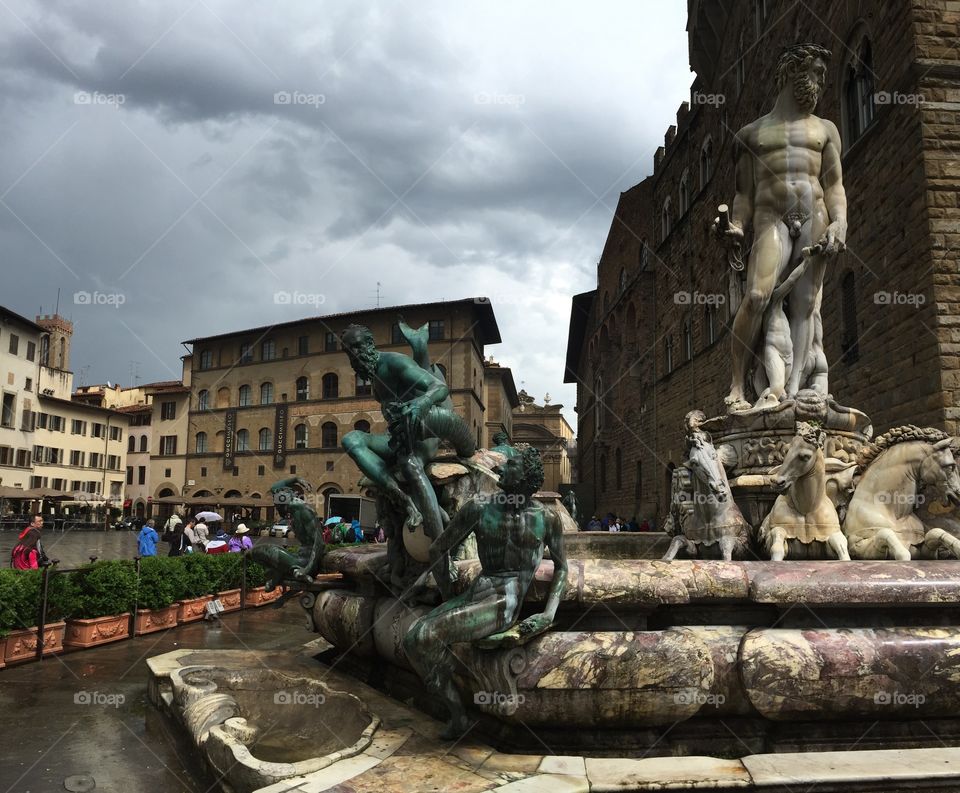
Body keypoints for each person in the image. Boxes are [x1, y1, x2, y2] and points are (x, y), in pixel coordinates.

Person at [715, 43, 846, 411]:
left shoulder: (826, 130)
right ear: (792, 71)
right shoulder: (751, 135)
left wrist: (841, 222)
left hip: (814, 214)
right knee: (757, 296)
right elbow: (743, 195)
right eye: (816, 72)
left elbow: (835, 185)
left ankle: (789, 389)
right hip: (771, 218)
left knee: (805, 303)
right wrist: (736, 225)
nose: (821, 81)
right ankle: (738, 385)